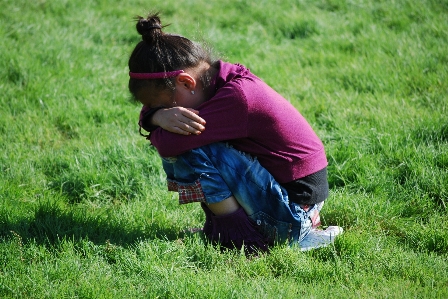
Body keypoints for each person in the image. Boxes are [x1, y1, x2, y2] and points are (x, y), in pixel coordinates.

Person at [128, 13, 342, 254]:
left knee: (188, 146)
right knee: (189, 136)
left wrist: (154, 121)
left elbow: (168, 145)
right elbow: (155, 122)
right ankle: (229, 227)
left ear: (187, 83)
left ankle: (239, 236)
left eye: (166, 106)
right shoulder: (219, 80)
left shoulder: (237, 99)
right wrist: (155, 116)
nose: (169, 113)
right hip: (294, 203)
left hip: (292, 214)